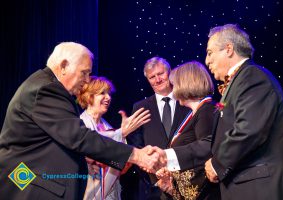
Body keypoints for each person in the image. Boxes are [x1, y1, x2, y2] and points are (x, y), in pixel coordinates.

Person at [0, 42, 164, 200]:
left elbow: (58, 141)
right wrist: (136, 155)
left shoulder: (44, 85)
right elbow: (79, 137)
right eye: (84, 73)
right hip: (31, 186)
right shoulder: (47, 89)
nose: (87, 80)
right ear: (63, 66)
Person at [203, 24, 283, 199]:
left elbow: (248, 130)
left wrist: (217, 164)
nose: (206, 61)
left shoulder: (252, 76)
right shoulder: (239, 81)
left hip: (262, 188)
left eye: (210, 53)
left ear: (229, 49)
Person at [126, 57, 190, 199]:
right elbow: (136, 146)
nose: (157, 80)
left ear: (170, 72)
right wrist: (156, 177)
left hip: (188, 183)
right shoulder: (140, 107)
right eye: (152, 77)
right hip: (154, 186)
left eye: (160, 74)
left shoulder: (187, 101)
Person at [156, 61, 220, 200]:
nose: (172, 90)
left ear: (186, 84)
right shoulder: (194, 113)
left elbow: (207, 153)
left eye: (175, 84)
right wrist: (171, 180)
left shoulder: (207, 110)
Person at [77, 76, 145, 200]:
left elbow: (121, 164)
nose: (108, 97)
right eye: (102, 93)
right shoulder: (81, 124)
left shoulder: (106, 125)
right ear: (89, 96)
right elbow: (94, 144)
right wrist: (121, 133)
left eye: (109, 93)